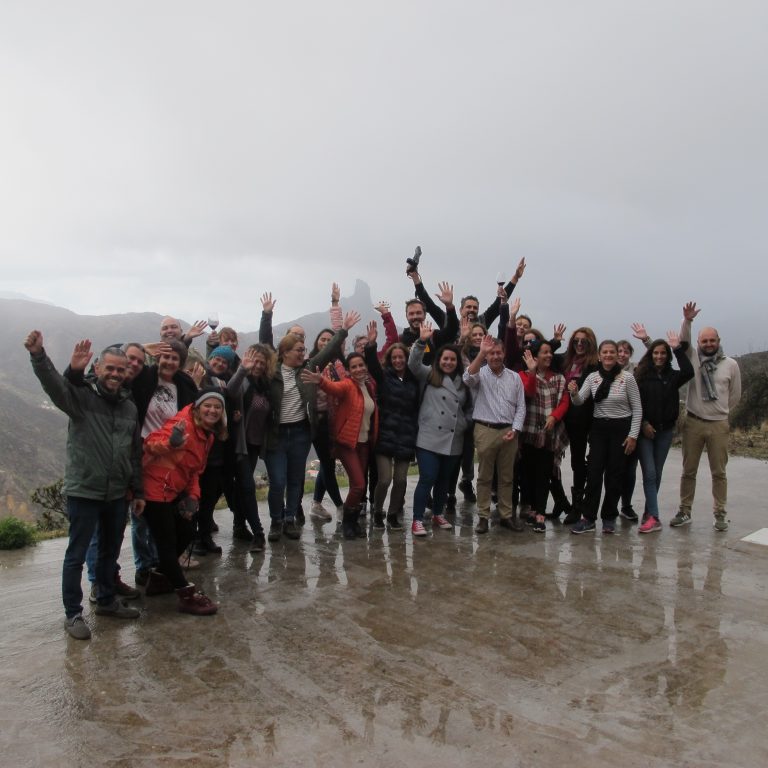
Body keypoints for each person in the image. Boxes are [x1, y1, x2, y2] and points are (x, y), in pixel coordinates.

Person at [25, 331, 144, 640]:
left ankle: (106, 600)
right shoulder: (81, 398)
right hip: (85, 490)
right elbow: (54, 385)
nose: (116, 374)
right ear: (98, 369)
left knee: (109, 552)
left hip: (117, 492)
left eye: (121, 370)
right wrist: (39, 356)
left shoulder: (130, 407)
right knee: (76, 555)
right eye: (110, 368)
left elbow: (134, 452)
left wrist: (138, 490)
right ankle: (73, 613)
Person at [264, 312, 360, 542]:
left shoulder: (307, 368)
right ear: (285, 352)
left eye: (303, 350)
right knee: (277, 481)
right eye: (298, 350)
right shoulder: (271, 373)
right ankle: (275, 521)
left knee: (296, 480)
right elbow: (264, 341)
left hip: (300, 433)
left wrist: (343, 330)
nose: (303, 353)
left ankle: (289, 521)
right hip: (276, 435)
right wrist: (266, 316)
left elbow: (328, 351)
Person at [139, 390, 227, 615]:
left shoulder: (207, 436)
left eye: (218, 407)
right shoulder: (183, 423)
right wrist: (171, 442)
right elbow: (150, 444)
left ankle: (159, 580)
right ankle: (186, 595)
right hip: (154, 488)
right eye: (208, 405)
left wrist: (192, 497)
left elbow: (195, 472)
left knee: (187, 531)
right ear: (197, 407)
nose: (213, 410)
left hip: (174, 490)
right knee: (167, 542)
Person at [672, 303, 741, 531]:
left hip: (719, 424)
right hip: (693, 422)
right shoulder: (693, 358)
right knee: (688, 471)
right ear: (699, 343)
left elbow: (734, 396)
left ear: (718, 341)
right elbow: (683, 341)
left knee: (719, 473)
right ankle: (684, 511)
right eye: (704, 341)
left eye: (712, 340)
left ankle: (720, 513)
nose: (708, 344)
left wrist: (720, 412)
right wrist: (687, 321)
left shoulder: (730, 365)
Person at [302, 348, 378, 539]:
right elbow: (332, 388)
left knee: (357, 486)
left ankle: (352, 523)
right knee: (359, 485)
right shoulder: (347, 385)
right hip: (347, 443)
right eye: (354, 367)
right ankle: (347, 522)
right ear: (348, 370)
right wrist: (320, 380)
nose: (359, 369)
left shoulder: (369, 387)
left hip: (364, 443)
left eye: (361, 365)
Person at [568, 340, 642, 535]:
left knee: (614, 475)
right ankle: (588, 517)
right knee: (593, 474)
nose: (608, 355)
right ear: (599, 356)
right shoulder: (592, 377)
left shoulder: (627, 378)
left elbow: (637, 409)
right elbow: (579, 401)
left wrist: (633, 436)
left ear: (617, 355)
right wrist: (573, 392)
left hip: (621, 428)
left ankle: (609, 516)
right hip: (599, 428)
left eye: (612, 352)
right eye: (605, 352)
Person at [409, 320, 470, 536]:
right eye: (445, 359)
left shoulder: (464, 382)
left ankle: (438, 513)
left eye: (452, 359)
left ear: (457, 362)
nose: (449, 362)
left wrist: (465, 423)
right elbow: (413, 364)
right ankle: (417, 519)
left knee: (444, 480)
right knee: (428, 477)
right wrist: (421, 341)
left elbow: (469, 407)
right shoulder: (429, 374)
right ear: (439, 360)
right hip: (428, 436)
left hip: (454, 438)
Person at [464, 334, 526, 534]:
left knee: (507, 477)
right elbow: (467, 378)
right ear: (487, 355)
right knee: (484, 476)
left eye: (498, 352)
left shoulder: (514, 377)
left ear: (504, 353)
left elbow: (521, 407)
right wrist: (481, 353)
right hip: (485, 429)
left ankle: (506, 515)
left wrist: (515, 429)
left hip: (509, 430)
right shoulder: (480, 373)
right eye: (491, 353)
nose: (495, 356)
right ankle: (483, 516)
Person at [633, 331, 694, 533]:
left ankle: (649, 513)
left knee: (656, 474)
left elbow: (689, 371)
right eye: (655, 353)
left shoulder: (673, 377)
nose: (659, 356)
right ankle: (655, 518)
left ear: (667, 356)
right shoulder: (641, 376)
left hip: (665, 432)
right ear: (650, 355)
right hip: (645, 432)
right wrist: (643, 424)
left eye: (663, 353)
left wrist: (677, 348)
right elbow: (635, 404)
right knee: (649, 473)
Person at [363, 324, 420, 531]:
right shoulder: (384, 376)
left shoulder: (414, 381)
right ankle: (378, 511)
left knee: (402, 480)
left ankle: (393, 513)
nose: (398, 360)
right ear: (390, 359)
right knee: (385, 479)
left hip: (406, 435)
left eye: (401, 357)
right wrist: (371, 344)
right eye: (394, 357)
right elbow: (371, 364)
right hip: (384, 435)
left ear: (406, 358)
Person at [227, 343, 276, 551]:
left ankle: (239, 526)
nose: (257, 366)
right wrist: (242, 370)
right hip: (240, 445)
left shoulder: (264, 385)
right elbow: (230, 391)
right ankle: (258, 533)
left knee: (243, 487)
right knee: (247, 487)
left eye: (261, 363)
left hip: (255, 445)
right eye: (254, 361)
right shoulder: (244, 381)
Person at [518, 342, 569, 533]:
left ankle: (540, 512)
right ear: (536, 356)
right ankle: (530, 509)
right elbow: (528, 394)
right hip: (529, 433)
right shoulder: (523, 375)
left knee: (544, 475)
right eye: (545, 352)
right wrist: (532, 372)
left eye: (550, 352)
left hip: (549, 434)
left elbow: (564, 401)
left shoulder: (559, 378)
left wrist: (554, 417)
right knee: (527, 474)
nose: (549, 355)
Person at [553, 327, 599, 525]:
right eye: (576, 341)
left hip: (584, 420)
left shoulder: (595, 366)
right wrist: (555, 342)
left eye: (584, 341)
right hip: (563, 417)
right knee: (551, 459)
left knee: (578, 463)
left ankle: (578, 507)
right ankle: (562, 502)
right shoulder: (565, 360)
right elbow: (542, 352)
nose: (579, 344)